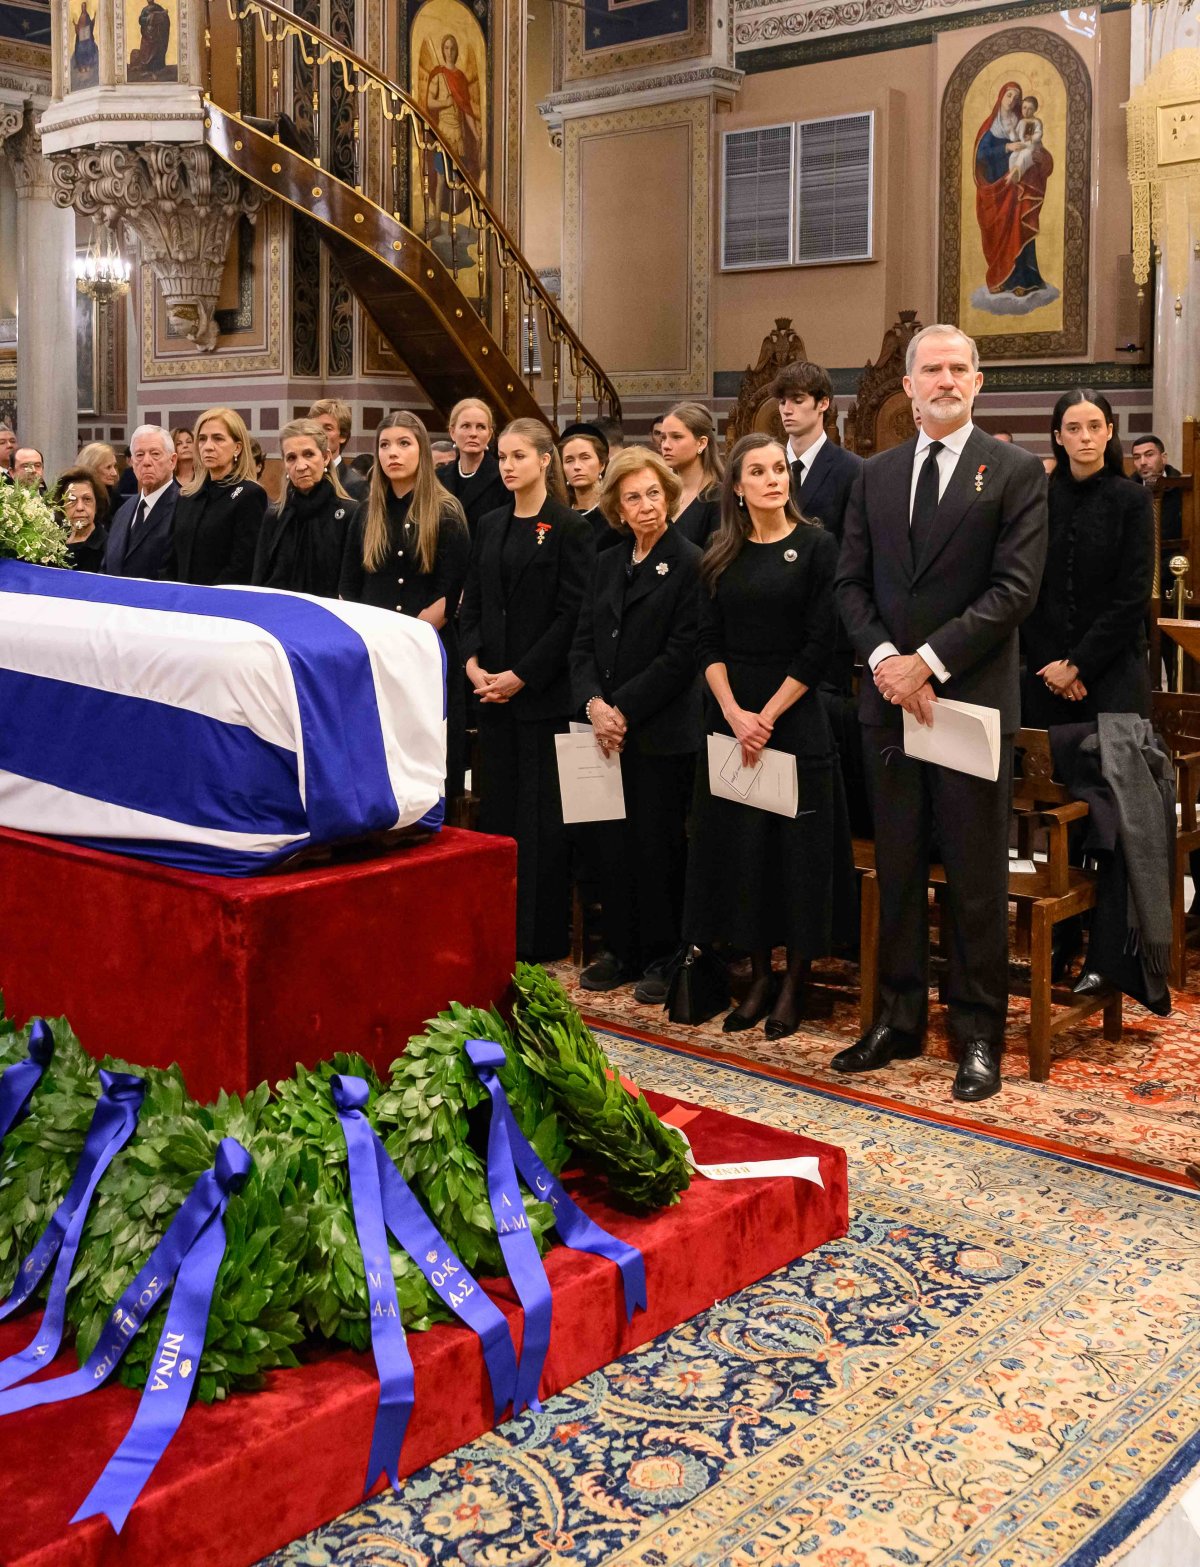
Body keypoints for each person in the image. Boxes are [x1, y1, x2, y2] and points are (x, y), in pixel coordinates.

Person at [833, 323, 1048, 1103]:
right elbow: (849, 584)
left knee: (973, 876)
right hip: (889, 707)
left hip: (969, 705)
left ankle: (978, 1032)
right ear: (910, 385)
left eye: (960, 368)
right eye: (933, 369)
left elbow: (1014, 590)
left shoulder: (1016, 471)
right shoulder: (876, 474)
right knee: (896, 868)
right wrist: (886, 662)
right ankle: (897, 1018)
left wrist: (926, 661)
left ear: (978, 382)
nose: (947, 380)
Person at [683, 434, 856, 1040]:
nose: (772, 479)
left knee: (796, 855)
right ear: (737, 486)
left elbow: (820, 643)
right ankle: (758, 976)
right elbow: (707, 642)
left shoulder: (817, 546)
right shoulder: (719, 553)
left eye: (779, 469)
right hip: (732, 720)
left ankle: (793, 982)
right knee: (744, 851)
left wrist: (768, 717)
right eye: (757, 472)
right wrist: (735, 713)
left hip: (795, 717)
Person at [569, 447, 701, 1003]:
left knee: (657, 846)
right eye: (633, 498)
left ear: (668, 496)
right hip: (604, 730)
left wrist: (621, 709)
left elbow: (681, 654)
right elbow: (582, 644)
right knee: (611, 845)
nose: (646, 505)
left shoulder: (689, 561)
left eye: (653, 494)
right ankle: (619, 949)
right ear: (618, 509)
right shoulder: (607, 560)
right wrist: (594, 706)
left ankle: (662, 955)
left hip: (659, 731)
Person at [459, 418, 594, 960]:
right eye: (503, 457)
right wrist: (472, 664)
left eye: (519, 456)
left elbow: (571, 615)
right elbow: (473, 600)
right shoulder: (490, 523)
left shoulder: (567, 527)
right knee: (498, 816)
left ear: (544, 459)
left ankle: (538, 939)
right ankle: (497, 933)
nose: (508, 465)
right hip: (491, 694)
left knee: (540, 823)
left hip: (540, 696)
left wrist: (523, 675)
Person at [339, 411, 470, 794]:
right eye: (384, 445)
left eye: (403, 443)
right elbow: (348, 588)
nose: (392, 453)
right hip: (374, 651)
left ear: (422, 451)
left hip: (426, 649)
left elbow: (450, 592)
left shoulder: (446, 512)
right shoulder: (365, 512)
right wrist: (373, 642)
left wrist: (405, 640)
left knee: (424, 750)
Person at [1022, 392, 1153, 728]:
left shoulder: (1133, 499)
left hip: (1114, 668)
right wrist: (1056, 666)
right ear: (1058, 437)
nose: (1085, 437)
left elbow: (1133, 596)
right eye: (1074, 428)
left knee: (1113, 757)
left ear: (1109, 431)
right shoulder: (1040, 499)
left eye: (1095, 427)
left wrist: (1077, 665)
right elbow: (1029, 587)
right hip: (1047, 671)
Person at [772, 359, 862, 693]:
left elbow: (855, 551)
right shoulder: (764, 465)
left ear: (823, 403)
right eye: (782, 401)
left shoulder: (852, 469)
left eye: (797, 400)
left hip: (826, 622)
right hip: (769, 618)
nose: (787, 409)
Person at [252, 419, 355, 598]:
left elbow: (351, 585)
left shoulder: (350, 513)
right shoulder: (275, 515)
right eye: (291, 458)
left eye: (309, 454)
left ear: (326, 457)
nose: (300, 466)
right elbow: (259, 579)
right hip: (278, 610)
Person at [164, 406, 267, 585]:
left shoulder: (249, 495)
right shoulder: (187, 495)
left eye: (218, 439)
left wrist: (207, 596)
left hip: (221, 597)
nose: (208, 447)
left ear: (237, 448)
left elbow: (243, 564)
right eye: (202, 439)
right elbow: (170, 556)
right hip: (181, 596)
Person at [974, 81, 1053, 298]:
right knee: (1000, 233)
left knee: (1018, 231)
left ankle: (1024, 280)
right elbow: (981, 156)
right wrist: (1006, 147)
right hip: (997, 188)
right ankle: (999, 278)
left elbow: (1040, 153)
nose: (1012, 101)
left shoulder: (1024, 123)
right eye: (1009, 95)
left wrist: (1040, 158)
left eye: (1016, 98)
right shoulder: (990, 127)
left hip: (1017, 190)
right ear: (1001, 96)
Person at [102, 424, 179, 579]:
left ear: (172, 461)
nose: (146, 462)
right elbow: (106, 567)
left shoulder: (184, 507)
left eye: (155, 454)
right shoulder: (124, 510)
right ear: (132, 462)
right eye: (139, 455)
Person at [440, 397, 507, 534]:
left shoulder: (504, 475)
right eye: (466, 426)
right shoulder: (438, 477)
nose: (473, 434)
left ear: (489, 434)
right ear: (452, 432)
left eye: (481, 427)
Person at [659, 402, 723, 545]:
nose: (666, 445)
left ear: (701, 443)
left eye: (676, 437)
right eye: (663, 438)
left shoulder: (719, 498)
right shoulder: (662, 493)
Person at [559, 421, 619, 552]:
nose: (576, 466)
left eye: (585, 457)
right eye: (569, 460)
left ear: (602, 464)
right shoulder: (558, 515)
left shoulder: (615, 513)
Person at [309, 398, 367, 500]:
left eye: (327, 428)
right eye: (315, 428)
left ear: (343, 436)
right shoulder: (302, 479)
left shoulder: (357, 485)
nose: (319, 433)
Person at [55, 466, 110, 572]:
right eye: (71, 500)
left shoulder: (109, 547)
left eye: (87, 499)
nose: (80, 507)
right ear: (62, 506)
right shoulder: (52, 544)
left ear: (97, 505)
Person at [1006, 97, 1043, 183]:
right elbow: (1015, 138)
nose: (1026, 111)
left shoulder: (1036, 122)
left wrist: (1032, 137)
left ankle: (1017, 172)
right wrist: (1011, 131)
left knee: (1023, 155)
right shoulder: (1021, 122)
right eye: (1024, 108)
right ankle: (1013, 175)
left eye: (1030, 109)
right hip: (1023, 145)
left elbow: (1039, 134)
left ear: (1035, 110)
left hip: (1032, 146)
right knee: (1013, 156)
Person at [77, 441, 121, 509]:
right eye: (108, 467)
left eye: (115, 466)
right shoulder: (74, 495)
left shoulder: (115, 497)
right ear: (92, 469)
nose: (114, 473)